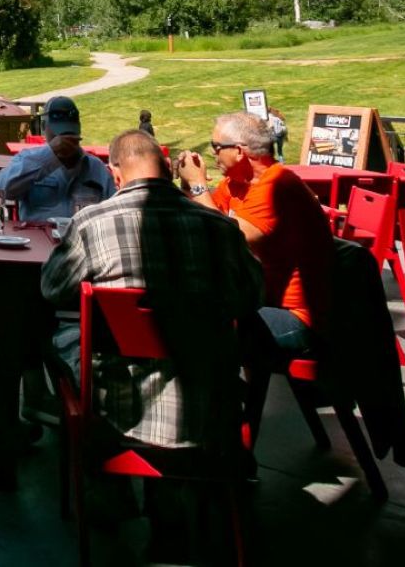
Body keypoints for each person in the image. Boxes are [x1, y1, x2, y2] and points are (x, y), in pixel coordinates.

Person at [41, 131, 261, 449]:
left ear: (115, 174)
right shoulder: (221, 228)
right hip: (210, 403)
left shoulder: (90, 224)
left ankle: (97, 476)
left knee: (54, 337)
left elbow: (52, 289)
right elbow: (253, 295)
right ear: (168, 167)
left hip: (119, 405)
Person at [178, 110, 335, 357]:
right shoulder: (235, 184)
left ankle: (222, 395)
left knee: (200, 327)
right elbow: (203, 221)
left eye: (216, 147)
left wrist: (199, 186)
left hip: (296, 316)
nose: (212, 153)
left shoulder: (277, 186)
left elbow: (227, 235)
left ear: (239, 152)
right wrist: (189, 187)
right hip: (260, 301)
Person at [0, 96, 115, 222]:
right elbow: (3, 190)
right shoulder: (28, 159)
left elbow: (115, 212)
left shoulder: (97, 169)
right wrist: (50, 154)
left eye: (69, 135)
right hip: (38, 240)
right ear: (43, 127)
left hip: (82, 238)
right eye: (58, 135)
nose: (64, 143)